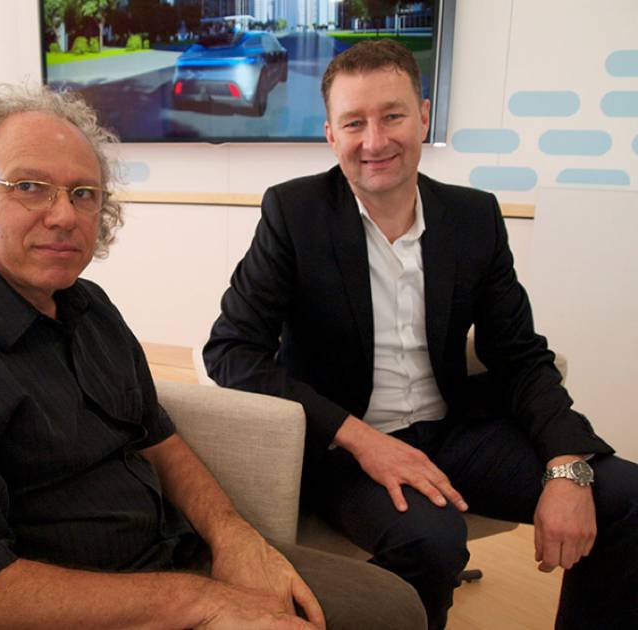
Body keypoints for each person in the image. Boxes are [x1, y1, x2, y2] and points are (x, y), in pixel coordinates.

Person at [0, 84, 427, 630]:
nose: (63, 215)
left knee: (394, 606)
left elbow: (157, 438)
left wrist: (233, 535)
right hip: (75, 610)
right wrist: (203, 603)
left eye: (83, 194)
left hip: (167, 560)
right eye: (29, 186)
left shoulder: (85, 305)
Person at [204, 40, 638, 630]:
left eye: (393, 116)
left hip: (455, 431)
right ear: (331, 135)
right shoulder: (294, 212)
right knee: (431, 541)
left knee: (626, 496)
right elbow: (231, 350)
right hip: (345, 447)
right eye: (354, 122)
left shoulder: (473, 216)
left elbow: (519, 355)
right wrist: (359, 438)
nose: (375, 141)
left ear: (424, 116)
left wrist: (567, 464)